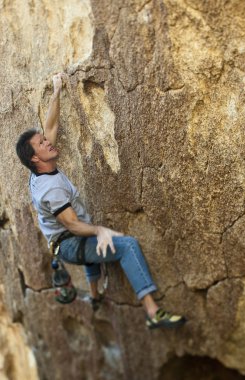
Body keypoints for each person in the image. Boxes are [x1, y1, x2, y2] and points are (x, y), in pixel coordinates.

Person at [16, 73, 186, 329]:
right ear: (36, 159)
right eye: (42, 144)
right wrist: (101, 230)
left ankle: (95, 296)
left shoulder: (39, 169)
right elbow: (73, 226)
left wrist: (57, 91)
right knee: (125, 245)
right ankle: (152, 312)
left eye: (43, 140)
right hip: (69, 244)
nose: (48, 142)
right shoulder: (50, 189)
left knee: (89, 236)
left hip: (65, 240)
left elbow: (50, 127)